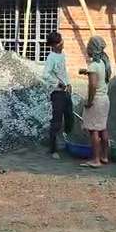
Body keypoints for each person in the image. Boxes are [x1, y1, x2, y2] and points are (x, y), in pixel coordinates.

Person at [80, 36, 112, 168]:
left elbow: (93, 85)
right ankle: (104, 156)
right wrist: (87, 72)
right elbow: (98, 77)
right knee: (103, 128)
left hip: (96, 101)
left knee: (93, 131)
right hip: (105, 100)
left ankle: (95, 160)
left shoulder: (93, 65)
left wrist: (89, 101)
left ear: (91, 48)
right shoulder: (104, 63)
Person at [43, 31, 73, 159]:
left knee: (70, 117)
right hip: (57, 93)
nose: (62, 44)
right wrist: (58, 84)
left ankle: (68, 142)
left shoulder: (62, 55)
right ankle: (53, 149)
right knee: (57, 121)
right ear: (54, 45)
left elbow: (63, 72)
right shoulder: (51, 58)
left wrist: (69, 83)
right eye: (60, 42)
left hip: (66, 91)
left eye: (62, 41)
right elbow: (45, 75)